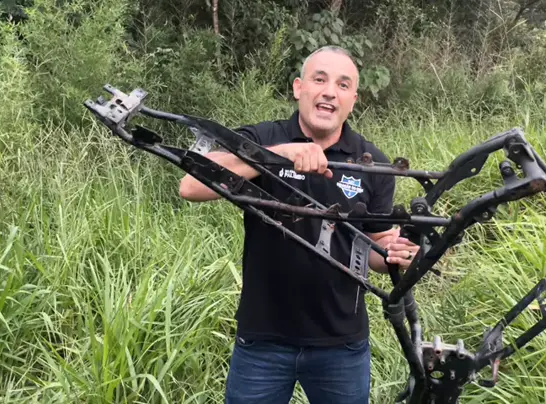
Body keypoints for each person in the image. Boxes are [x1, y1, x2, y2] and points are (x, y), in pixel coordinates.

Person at [179, 45, 419, 404]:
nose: (329, 92)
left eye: (342, 85)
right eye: (319, 79)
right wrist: (278, 156)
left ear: (353, 100)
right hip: (263, 340)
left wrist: (395, 253)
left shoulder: (372, 163)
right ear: (299, 87)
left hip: (341, 345)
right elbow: (191, 186)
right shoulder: (263, 139)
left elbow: (376, 247)